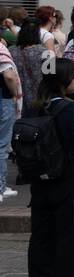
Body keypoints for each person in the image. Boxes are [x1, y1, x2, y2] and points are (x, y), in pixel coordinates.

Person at [25, 59, 74, 277]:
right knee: (66, 235)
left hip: (38, 180)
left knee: (41, 235)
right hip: (65, 181)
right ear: (64, 81)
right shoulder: (69, 110)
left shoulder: (35, 107)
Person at [14, 19, 46, 118]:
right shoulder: (45, 52)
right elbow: (52, 77)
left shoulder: (11, 51)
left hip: (17, 97)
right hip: (39, 98)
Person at [0, 37, 18, 201]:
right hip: (2, 99)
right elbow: (9, 76)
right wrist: (14, 93)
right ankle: (0, 187)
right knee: (1, 145)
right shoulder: (1, 50)